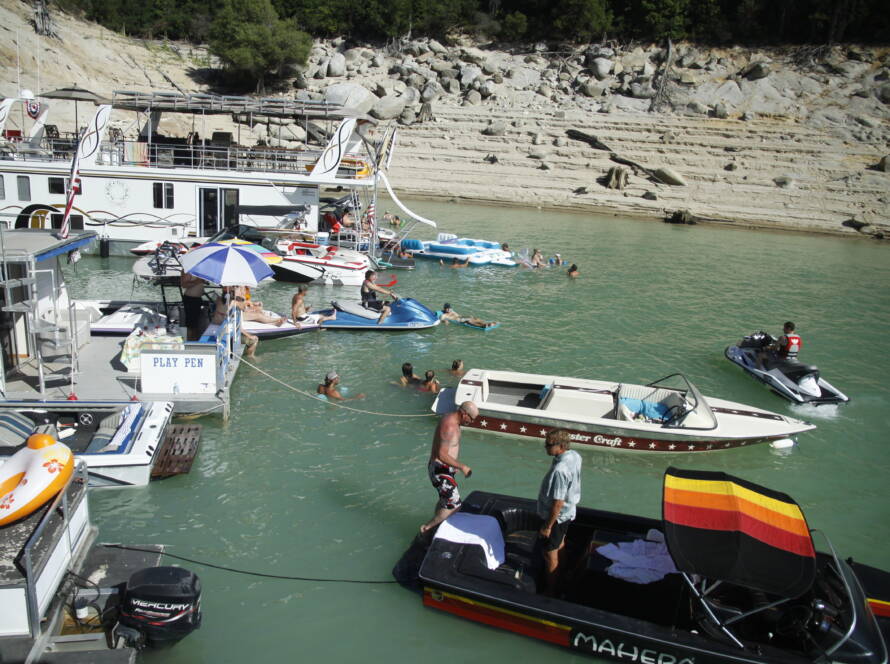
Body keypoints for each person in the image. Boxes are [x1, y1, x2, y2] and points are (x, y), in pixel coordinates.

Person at [421, 401, 479, 533]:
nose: (472, 422)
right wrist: (462, 466)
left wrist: (453, 465)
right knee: (454, 505)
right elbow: (441, 454)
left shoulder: (453, 420)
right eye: (471, 419)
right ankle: (427, 528)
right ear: (464, 414)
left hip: (445, 469)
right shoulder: (449, 426)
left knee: (445, 500)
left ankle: (436, 524)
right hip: (440, 470)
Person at [537, 428, 582, 596]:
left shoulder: (560, 470)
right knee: (560, 542)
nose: (545, 447)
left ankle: (551, 591)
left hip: (557, 516)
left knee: (550, 553)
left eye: (549, 445)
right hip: (569, 512)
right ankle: (564, 574)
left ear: (561, 446)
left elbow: (558, 503)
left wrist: (548, 526)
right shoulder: (575, 456)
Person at [212, 289, 259, 357]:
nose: (246, 309)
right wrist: (250, 336)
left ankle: (250, 355)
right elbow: (239, 328)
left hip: (222, 329)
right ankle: (250, 356)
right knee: (254, 340)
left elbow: (240, 327)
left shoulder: (220, 300)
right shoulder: (233, 304)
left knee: (252, 338)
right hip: (225, 334)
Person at [180, 271, 206, 341]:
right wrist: (198, 281)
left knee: (196, 323)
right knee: (191, 324)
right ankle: (190, 342)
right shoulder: (189, 270)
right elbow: (184, 285)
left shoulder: (198, 270)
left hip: (197, 299)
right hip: (191, 299)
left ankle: (194, 341)